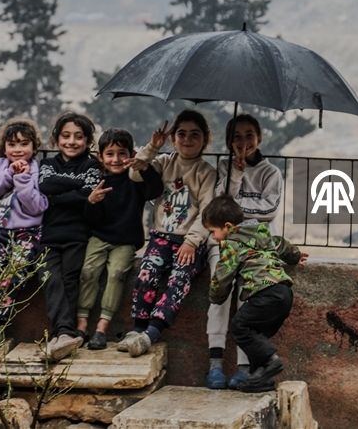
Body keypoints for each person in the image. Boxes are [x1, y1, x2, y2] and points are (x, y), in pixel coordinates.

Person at [120, 109, 217, 357]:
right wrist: (152, 148)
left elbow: (207, 211)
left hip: (188, 242)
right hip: (161, 237)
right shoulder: (164, 162)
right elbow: (134, 172)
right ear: (173, 139)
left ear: (205, 139)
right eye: (181, 134)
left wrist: (193, 242)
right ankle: (138, 328)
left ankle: (151, 332)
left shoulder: (206, 172)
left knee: (179, 279)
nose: (187, 139)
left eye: (194, 134)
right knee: (146, 273)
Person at [206, 113, 285, 389]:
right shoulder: (224, 167)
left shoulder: (270, 172)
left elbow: (270, 210)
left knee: (246, 301)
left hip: (254, 245)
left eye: (249, 135)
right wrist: (236, 173)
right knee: (220, 296)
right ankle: (215, 363)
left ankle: (243, 366)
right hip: (225, 242)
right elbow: (220, 204)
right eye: (236, 136)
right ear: (228, 141)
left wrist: (237, 210)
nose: (243, 141)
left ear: (259, 138)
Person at [202, 194, 306, 393]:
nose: (213, 237)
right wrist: (295, 257)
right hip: (283, 293)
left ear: (227, 226)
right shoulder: (261, 233)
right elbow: (281, 244)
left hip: (264, 293)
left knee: (240, 327)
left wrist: (216, 298)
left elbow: (222, 278)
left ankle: (270, 361)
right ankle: (261, 378)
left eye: (213, 231)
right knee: (255, 334)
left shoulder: (232, 245)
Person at [76, 128, 164, 350]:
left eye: (122, 153)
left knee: (116, 274)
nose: (116, 159)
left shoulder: (135, 178)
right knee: (88, 272)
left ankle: (101, 328)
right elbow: (91, 218)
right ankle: (82, 322)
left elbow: (154, 190)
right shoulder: (98, 179)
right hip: (99, 237)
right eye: (110, 154)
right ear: (100, 157)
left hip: (125, 240)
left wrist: (144, 167)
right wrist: (92, 201)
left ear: (131, 154)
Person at [0, 117, 49, 332]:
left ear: (34, 147)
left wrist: (23, 179)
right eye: (12, 144)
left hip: (28, 234)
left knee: (16, 274)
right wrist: (8, 174)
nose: (18, 149)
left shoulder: (37, 170)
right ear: (3, 147)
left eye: (24, 143)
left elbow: (36, 207)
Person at [38, 111, 102, 361]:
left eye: (78, 137)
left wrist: (61, 194)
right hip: (49, 236)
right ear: (56, 138)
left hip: (78, 234)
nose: (72, 142)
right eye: (66, 136)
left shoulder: (92, 165)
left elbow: (89, 191)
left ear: (87, 141)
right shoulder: (47, 165)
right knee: (48, 278)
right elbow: (45, 186)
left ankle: (62, 333)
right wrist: (79, 191)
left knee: (69, 280)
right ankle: (64, 332)